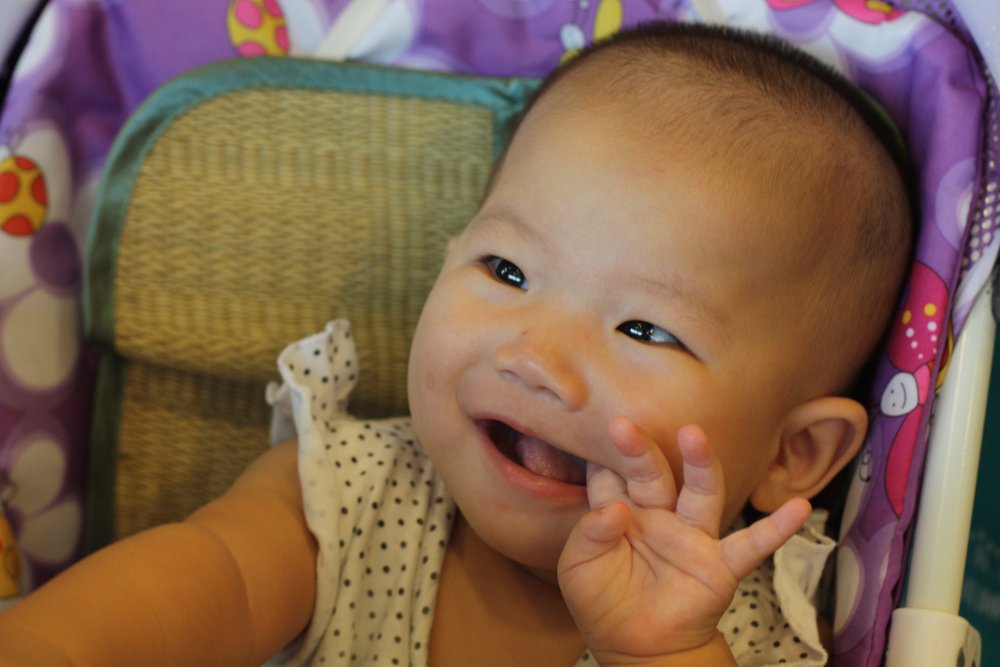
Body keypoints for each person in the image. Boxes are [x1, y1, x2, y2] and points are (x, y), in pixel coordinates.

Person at [0, 21, 911, 666]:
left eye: (644, 328)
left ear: (794, 454)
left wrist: (664, 650)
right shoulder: (345, 499)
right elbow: (197, 591)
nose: (534, 357)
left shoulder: (758, 630)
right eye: (506, 270)